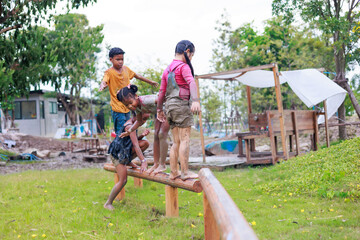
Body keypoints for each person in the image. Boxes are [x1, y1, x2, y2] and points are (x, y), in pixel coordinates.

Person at [156, 40, 201, 180]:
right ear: (187, 52)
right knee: (185, 139)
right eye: (192, 55)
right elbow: (191, 82)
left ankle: (174, 172)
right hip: (181, 105)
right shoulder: (183, 67)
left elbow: (162, 91)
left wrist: (159, 109)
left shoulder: (167, 69)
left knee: (176, 142)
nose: (191, 58)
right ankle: (185, 173)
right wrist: (195, 100)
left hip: (169, 106)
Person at [99, 47, 159, 135]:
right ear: (111, 60)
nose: (120, 61)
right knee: (121, 130)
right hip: (117, 108)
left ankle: (131, 147)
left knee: (132, 128)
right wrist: (102, 85)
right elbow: (104, 80)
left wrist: (150, 82)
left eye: (122, 59)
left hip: (130, 107)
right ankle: (120, 147)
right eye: (117, 59)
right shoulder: (109, 72)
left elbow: (137, 75)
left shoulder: (126, 69)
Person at [117, 84, 170, 175]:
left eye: (130, 103)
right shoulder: (138, 108)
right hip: (159, 113)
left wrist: (160, 109)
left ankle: (162, 164)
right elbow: (139, 121)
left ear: (136, 96)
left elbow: (161, 99)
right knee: (156, 135)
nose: (129, 106)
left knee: (161, 134)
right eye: (126, 105)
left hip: (168, 110)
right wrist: (129, 131)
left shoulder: (145, 100)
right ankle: (156, 164)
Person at [104, 115, 150, 211]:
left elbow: (132, 140)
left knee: (145, 143)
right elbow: (135, 145)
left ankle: (128, 161)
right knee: (123, 180)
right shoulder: (129, 126)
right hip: (117, 154)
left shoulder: (133, 124)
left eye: (146, 119)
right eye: (143, 119)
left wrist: (142, 136)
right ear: (136, 116)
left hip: (124, 151)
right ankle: (108, 203)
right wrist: (143, 161)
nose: (144, 122)